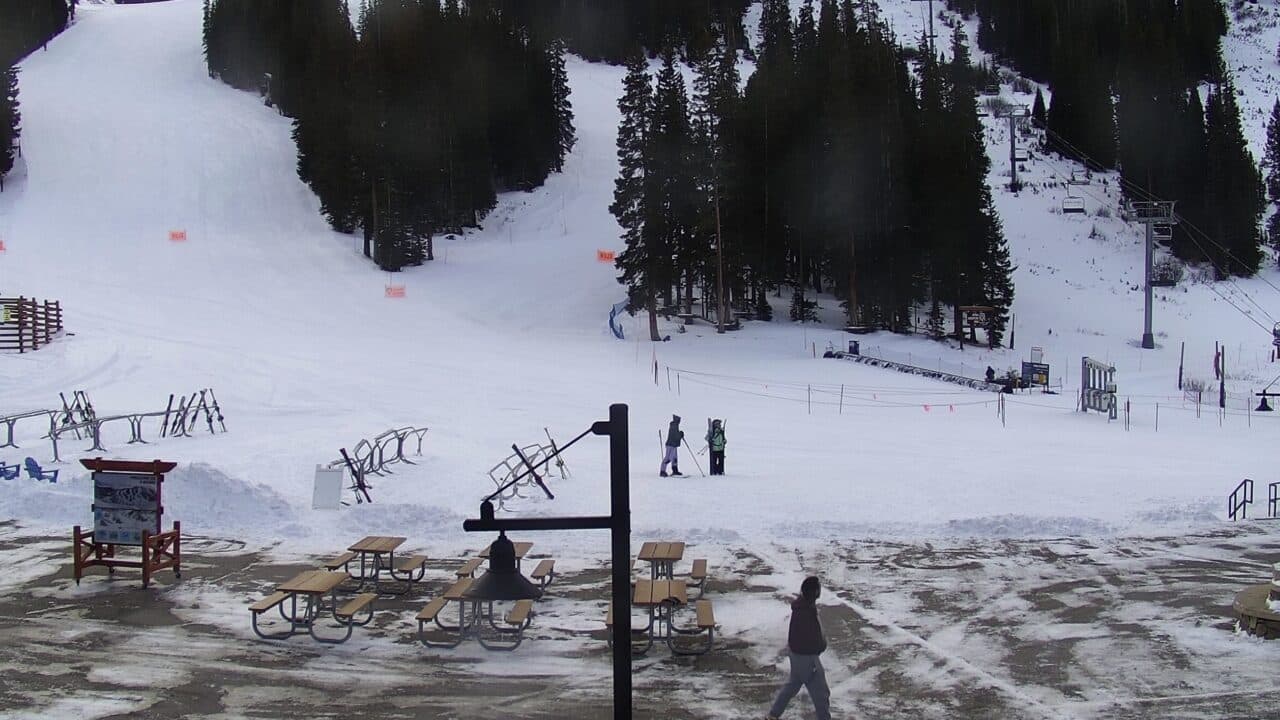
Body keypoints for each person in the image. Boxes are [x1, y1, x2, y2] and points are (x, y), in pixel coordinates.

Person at [767, 576, 830, 720]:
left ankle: (773, 715)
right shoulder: (806, 612)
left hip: (799, 656)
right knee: (821, 693)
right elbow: (810, 640)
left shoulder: (803, 607)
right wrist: (821, 646)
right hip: (806, 658)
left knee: (792, 686)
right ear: (814, 592)